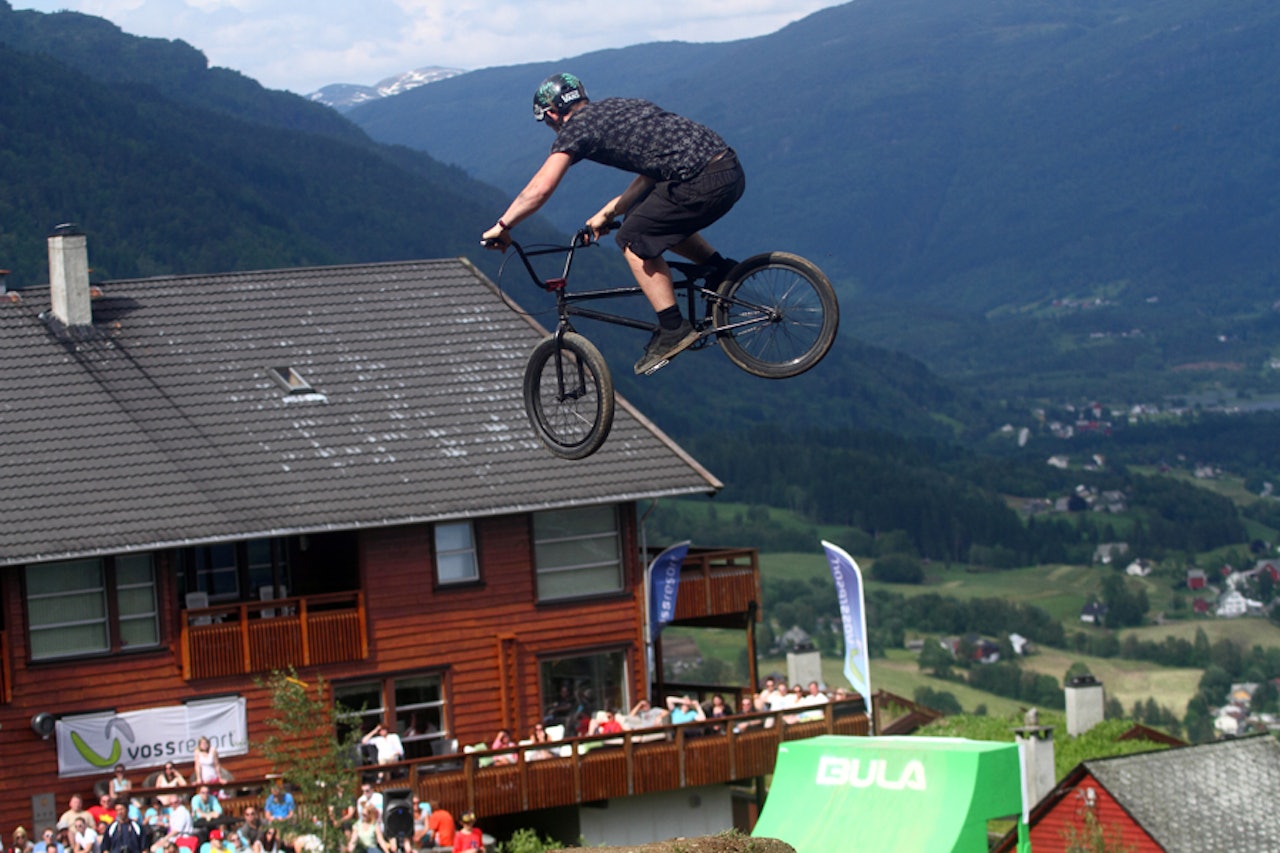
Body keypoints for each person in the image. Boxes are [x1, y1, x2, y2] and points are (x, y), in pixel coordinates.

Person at [482, 72, 745, 376]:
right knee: (642, 219)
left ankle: (673, 327)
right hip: (728, 171)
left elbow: (539, 189)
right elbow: (653, 171)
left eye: (547, 121)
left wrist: (504, 225)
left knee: (633, 239)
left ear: (552, 113)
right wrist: (611, 211)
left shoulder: (575, 129)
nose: (551, 128)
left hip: (701, 181)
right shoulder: (621, 106)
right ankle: (720, 270)